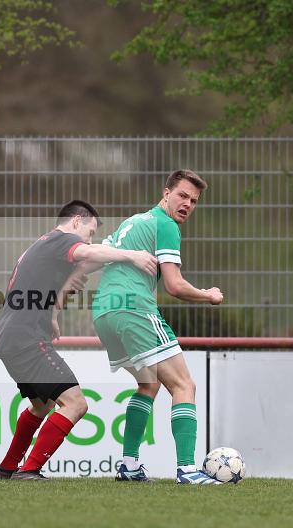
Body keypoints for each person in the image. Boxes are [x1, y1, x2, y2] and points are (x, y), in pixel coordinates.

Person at [0, 200, 158, 480]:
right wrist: (132, 256)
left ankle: (6, 468)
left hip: (12, 337)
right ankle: (29, 469)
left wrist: (52, 313)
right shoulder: (60, 239)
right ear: (77, 221)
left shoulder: (44, 245)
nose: (89, 240)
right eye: (90, 232)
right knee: (76, 404)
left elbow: (42, 283)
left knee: (42, 405)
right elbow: (89, 252)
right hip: (27, 338)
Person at [89, 169, 224, 484]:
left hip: (103, 312)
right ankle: (187, 470)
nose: (187, 204)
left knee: (148, 385)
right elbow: (174, 286)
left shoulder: (133, 222)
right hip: (134, 309)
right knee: (184, 385)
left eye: (193, 201)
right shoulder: (166, 225)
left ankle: (129, 465)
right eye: (182, 196)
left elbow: (91, 259)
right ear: (166, 193)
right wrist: (208, 295)